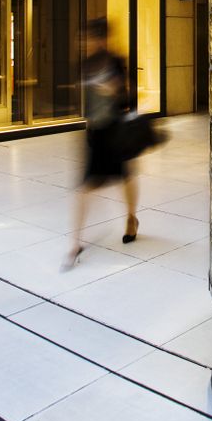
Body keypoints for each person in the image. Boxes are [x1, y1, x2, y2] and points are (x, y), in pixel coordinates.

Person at [64, 17, 138, 269]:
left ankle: (131, 219)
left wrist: (113, 89)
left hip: (116, 130)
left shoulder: (115, 61)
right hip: (94, 132)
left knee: (125, 178)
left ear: (103, 38)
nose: (88, 42)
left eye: (93, 37)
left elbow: (128, 95)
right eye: (85, 38)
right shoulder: (84, 64)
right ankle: (76, 242)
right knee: (85, 186)